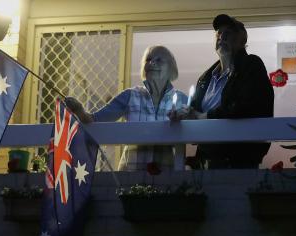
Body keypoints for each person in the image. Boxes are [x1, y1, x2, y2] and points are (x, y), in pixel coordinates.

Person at [169, 14, 274, 169]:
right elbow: (196, 113)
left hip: (238, 160)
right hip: (206, 159)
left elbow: (247, 106)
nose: (221, 36)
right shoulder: (206, 77)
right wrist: (184, 115)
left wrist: (205, 116)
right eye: (218, 33)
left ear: (242, 40)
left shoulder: (251, 64)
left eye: (228, 33)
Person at [65, 45, 187, 171]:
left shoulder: (181, 99)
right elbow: (95, 119)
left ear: (171, 68)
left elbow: (196, 122)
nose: (151, 63)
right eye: (148, 59)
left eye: (159, 60)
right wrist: (79, 110)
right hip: (130, 173)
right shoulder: (130, 95)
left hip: (166, 174)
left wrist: (186, 117)